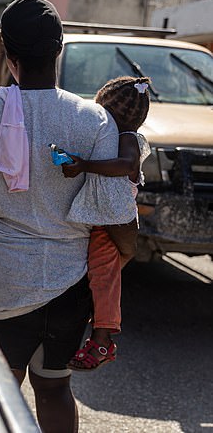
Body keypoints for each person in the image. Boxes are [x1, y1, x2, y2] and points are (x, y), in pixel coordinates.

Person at [0, 0, 134, 431]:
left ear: (9, 53)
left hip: (5, 280)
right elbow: (117, 213)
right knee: (55, 387)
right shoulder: (94, 119)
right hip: (70, 282)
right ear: (58, 48)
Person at [61, 76, 152, 371]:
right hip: (107, 216)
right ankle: (97, 332)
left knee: (104, 277)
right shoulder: (113, 134)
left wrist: (84, 165)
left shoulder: (126, 138)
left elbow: (126, 165)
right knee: (100, 276)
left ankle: (103, 341)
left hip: (113, 220)